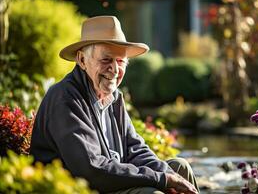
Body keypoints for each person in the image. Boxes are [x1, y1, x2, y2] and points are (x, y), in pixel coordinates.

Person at [30, 16, 199, 194]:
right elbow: (91, 169)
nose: (115, 69)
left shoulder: (115, 97)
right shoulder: (65, 98)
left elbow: (135, 149)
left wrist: (169, 176)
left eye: (120, 61)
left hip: (109, 181)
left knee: (180, 169)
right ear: (82, 60)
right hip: (83, 189)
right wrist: (160, 180)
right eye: (106, 60)